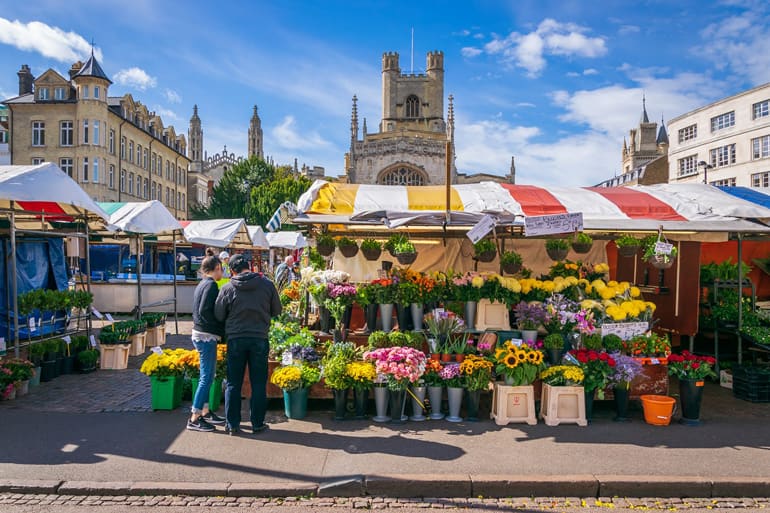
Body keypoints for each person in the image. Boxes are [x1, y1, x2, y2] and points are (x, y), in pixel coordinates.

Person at [215, 254, 282, 435]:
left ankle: (232, 424)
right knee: (259, 383)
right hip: (259, 338)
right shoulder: (267, 285)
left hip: (236, 339)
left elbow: (219, 314)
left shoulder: (228, 288)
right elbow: (277, 310)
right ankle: (257, 423)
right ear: (250, 267)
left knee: (233, 383)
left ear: (232, 270)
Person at [187, 249, 226, 432]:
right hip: (206, 335)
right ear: (216, 268)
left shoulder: (203, 283)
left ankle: (205, 411)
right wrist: (220, 327)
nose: (222, 273)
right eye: (221, 269)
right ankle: (194, 418)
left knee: (208, 376)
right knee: (206, 378)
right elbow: (204, 311)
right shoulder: (211, 286)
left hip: (200, 334)